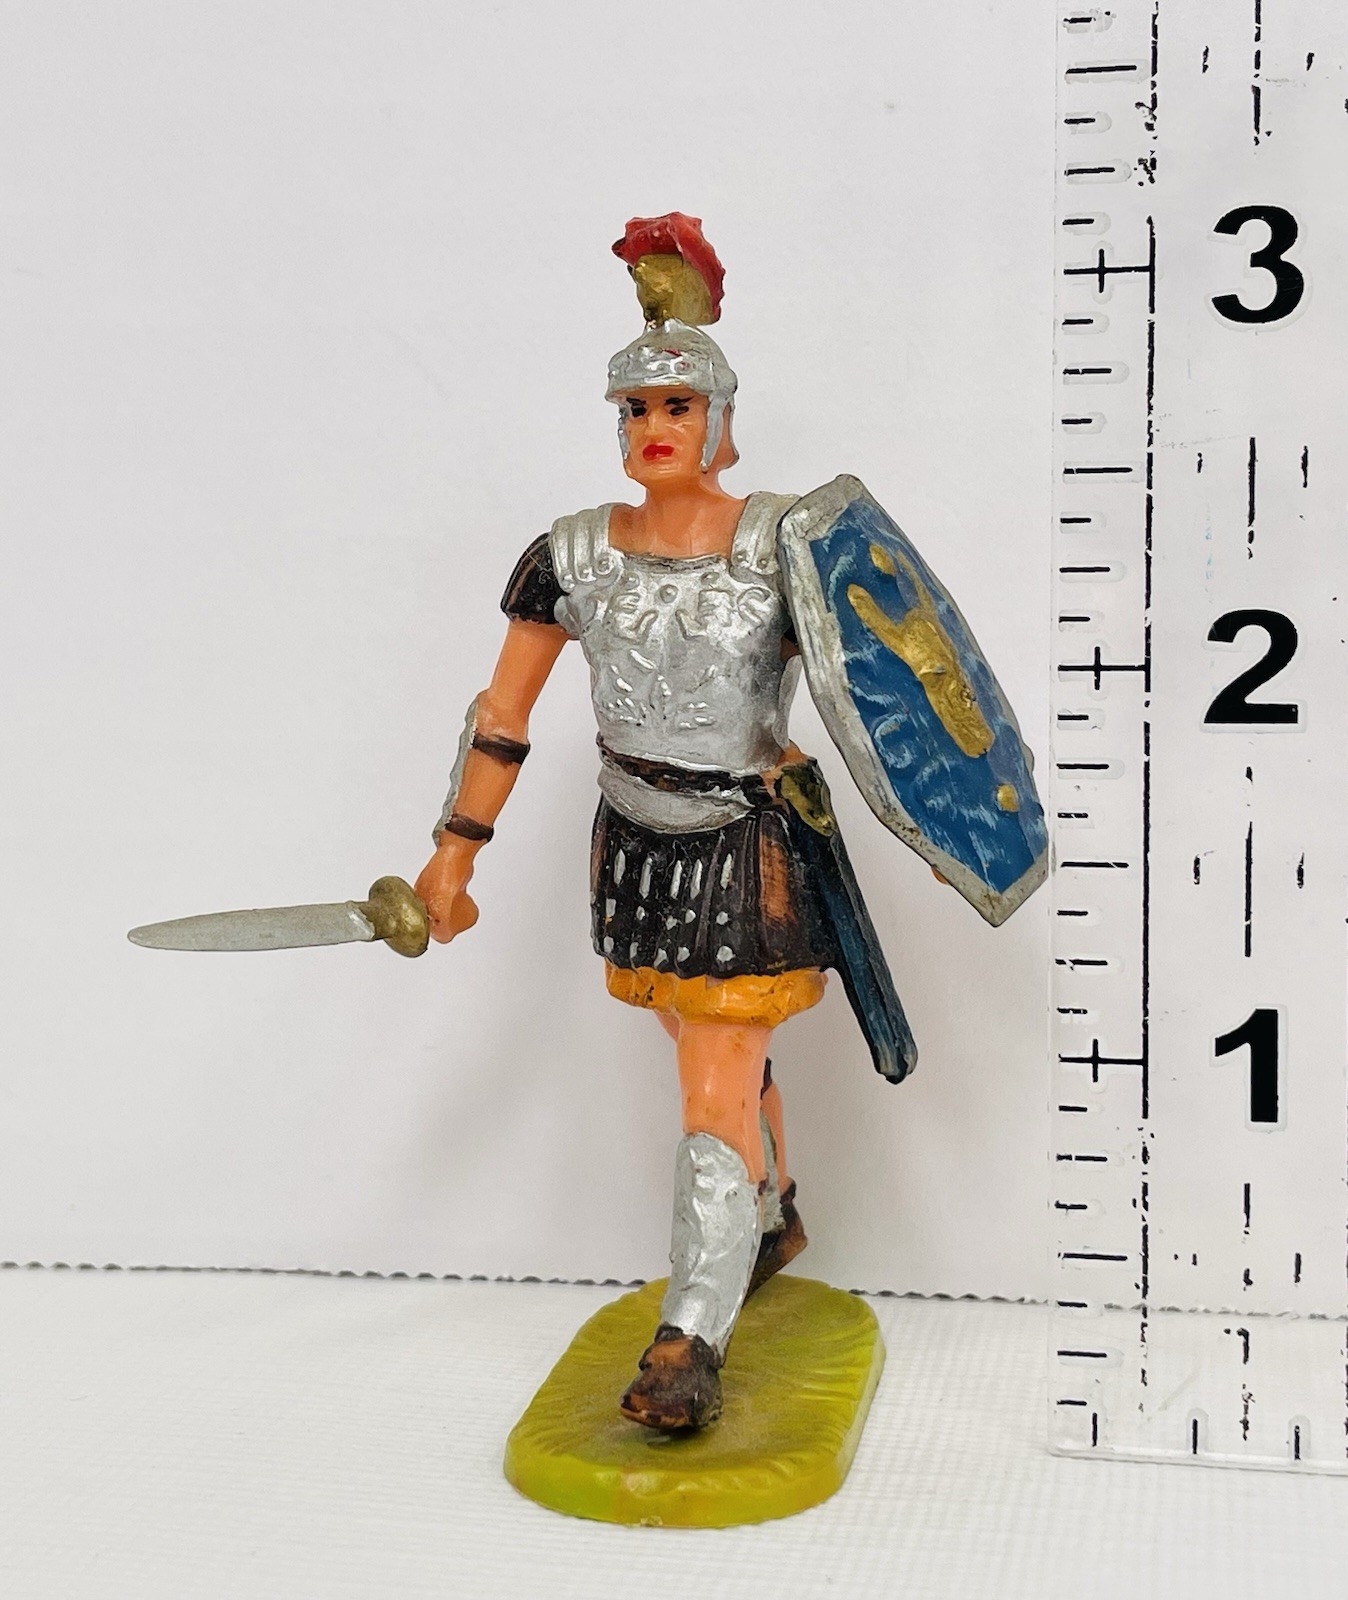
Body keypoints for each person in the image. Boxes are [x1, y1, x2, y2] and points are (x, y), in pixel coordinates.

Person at [413, 214, 1040, 1432]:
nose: (654, 426)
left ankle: (688, 1336)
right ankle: (771, 1208)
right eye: (635, 408)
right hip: (633, 839)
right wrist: (452, 853)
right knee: (708, 1052)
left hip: (745, 848)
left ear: (719, 421)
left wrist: (948, 814)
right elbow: (502, 714)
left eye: (677, 406)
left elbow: (899, 681)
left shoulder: (784, 544)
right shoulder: (568, 556)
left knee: (711, 1081)